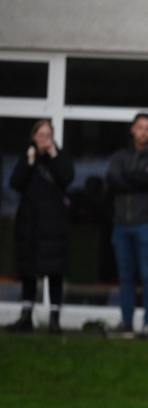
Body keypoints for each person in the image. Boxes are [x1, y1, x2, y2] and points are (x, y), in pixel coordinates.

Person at [106, 112, 148, 338]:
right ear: (132, 129)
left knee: (147, 275)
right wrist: (137, 178)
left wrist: (129, 178)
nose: (143, 131)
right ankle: (126, 323)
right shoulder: (119, 156)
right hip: (121, 224)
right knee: (125, 277)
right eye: (140, 127)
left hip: (147, 223)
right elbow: (114, 180)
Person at [6, 119, 74, 334]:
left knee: (54, 271)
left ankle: (54, 319)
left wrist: (53, 155)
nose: (45, 139)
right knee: (28, 271)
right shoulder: (28, 157)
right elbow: (15, 183)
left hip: (54, 226)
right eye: (41, 135)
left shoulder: (59, 157)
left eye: (48, 135)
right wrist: (29, 161)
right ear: (33, 137)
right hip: (30, 225)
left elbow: (66, 178)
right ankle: (26, 316)